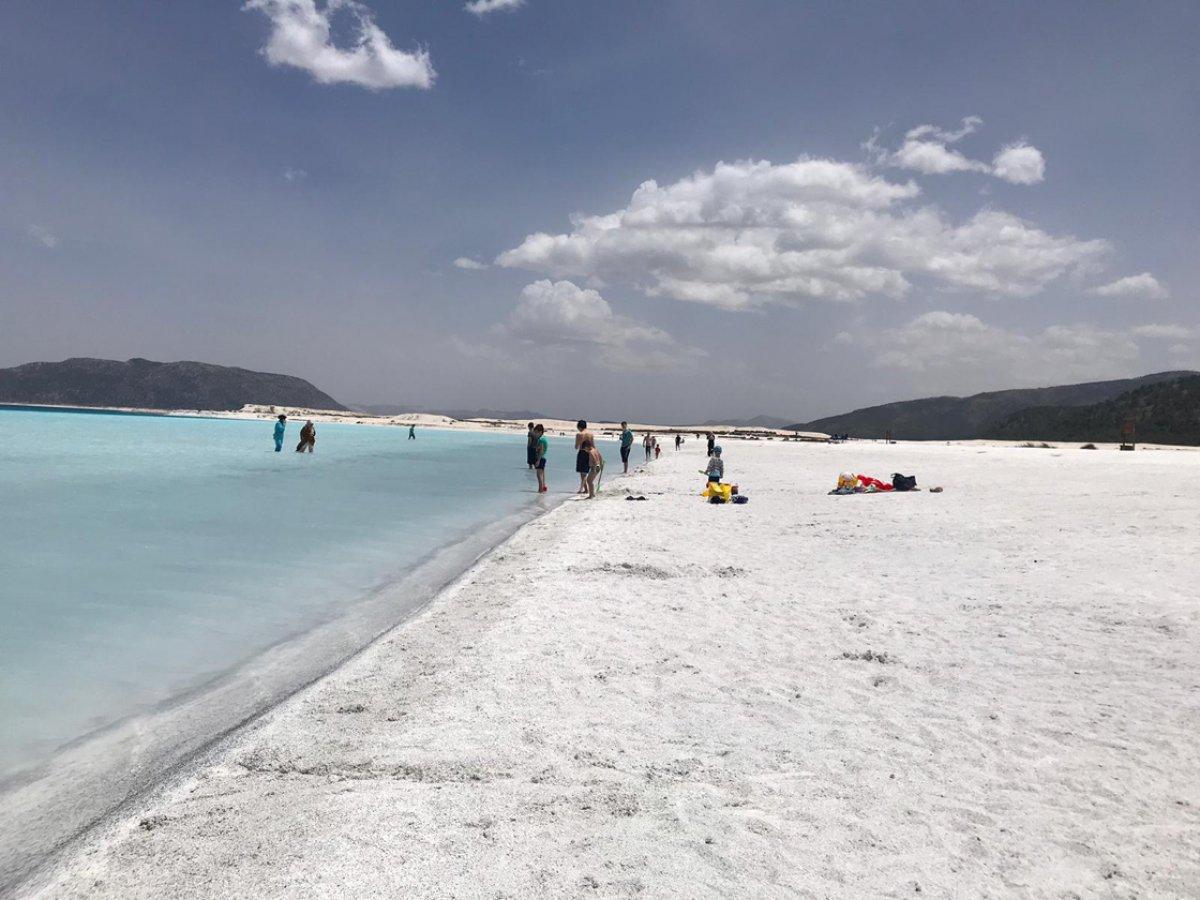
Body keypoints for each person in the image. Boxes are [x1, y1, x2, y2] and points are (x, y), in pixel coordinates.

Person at [574, 420, 594, 495]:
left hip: (582, 452)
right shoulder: (590, 434)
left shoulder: (579, 434)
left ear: (579, 427)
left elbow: (576, 447)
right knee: (585, 471)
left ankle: (583, 489)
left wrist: (579, 442)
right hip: (590, 453)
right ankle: (586, 489)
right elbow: (593, 446)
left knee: (582, 473)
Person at [533, 424, 548, 493]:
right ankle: (543, 488)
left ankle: (540, 489)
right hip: (544, 457)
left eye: (536, 432)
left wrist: (538, 460)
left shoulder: (541, 439)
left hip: (541, 458)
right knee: (542, 474)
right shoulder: (544, 438)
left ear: (540, 432)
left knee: (539, 475)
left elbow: (541, 450)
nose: (535, 434)